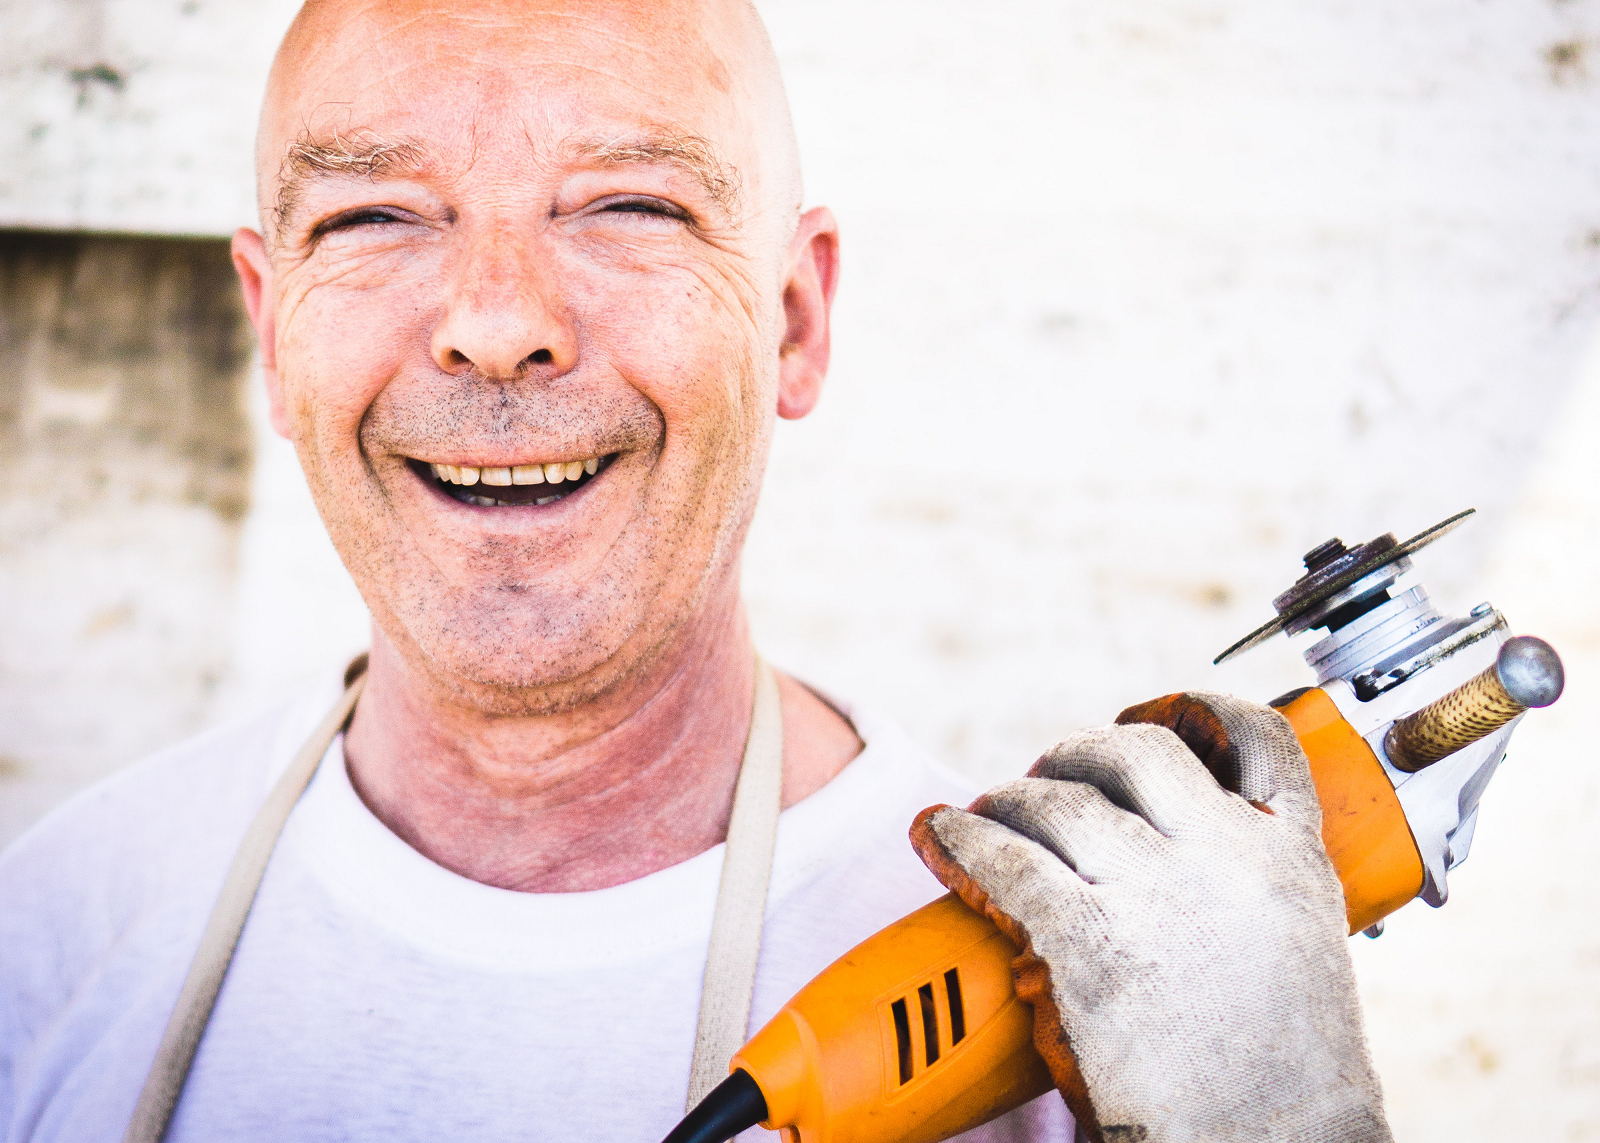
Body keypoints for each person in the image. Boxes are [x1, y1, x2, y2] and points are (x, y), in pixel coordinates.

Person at [0, 2, 1392, 1141]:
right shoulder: (56, 931)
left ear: (793, 318)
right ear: (271, 332)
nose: (496, 323)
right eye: (372, 218)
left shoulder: (1068, 1015)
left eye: (627, 205)